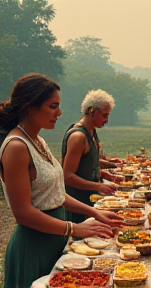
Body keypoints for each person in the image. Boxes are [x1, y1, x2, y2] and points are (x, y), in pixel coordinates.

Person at [0, 73, 123, 288]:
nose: (59, 113)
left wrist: (94, 212)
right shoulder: (17, 146)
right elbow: (23, 213)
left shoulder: (38, 140)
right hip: (34, 245)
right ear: (31, 107)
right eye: (53, 106)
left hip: (53, 239)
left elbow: (55, 194)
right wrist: (74, 228)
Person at [61, 89, 123, 224]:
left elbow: (89, 160)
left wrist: (106, 174)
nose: (107, 120)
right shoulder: (78, 136)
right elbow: (67, 176)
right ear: (91, 111)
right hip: (77, 205)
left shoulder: (91, 131)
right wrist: (97, 186)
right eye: (105, 115)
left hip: (89, 201)